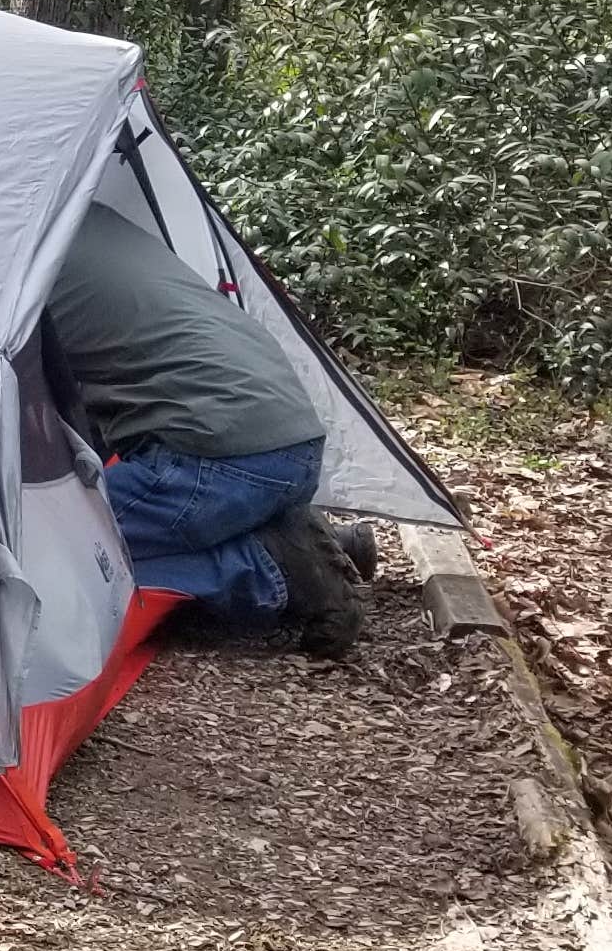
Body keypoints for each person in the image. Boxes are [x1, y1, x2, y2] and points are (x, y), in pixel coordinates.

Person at [42, 199, 368, 655]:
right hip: (290, 440)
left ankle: (269, 564)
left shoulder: (17, 265)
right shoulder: (79, 212)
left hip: (222, 456)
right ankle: (304, 534)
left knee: (58, 548)